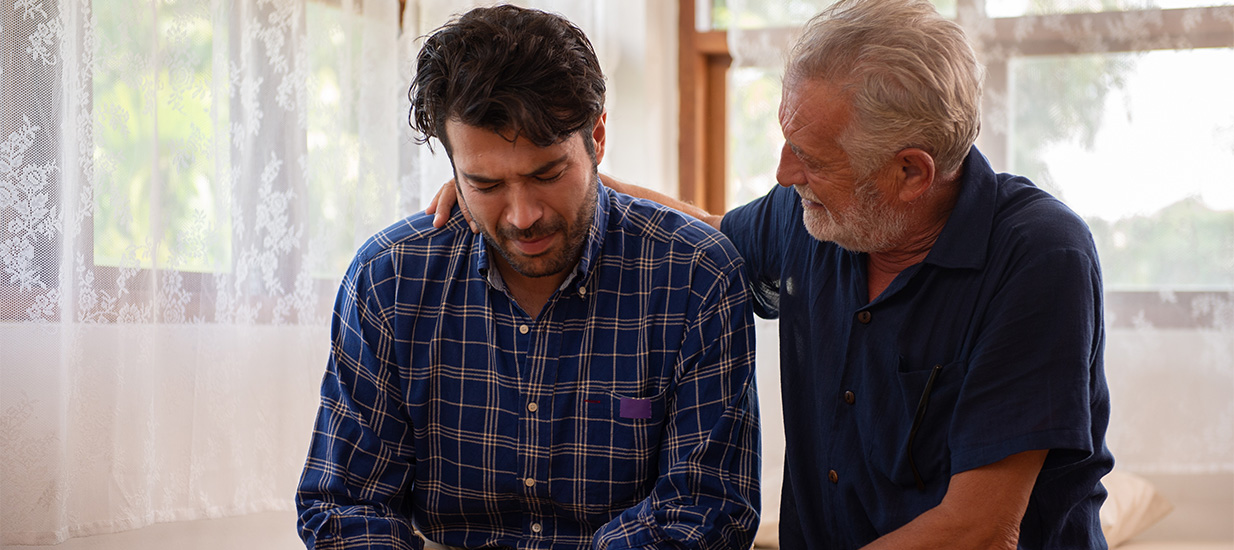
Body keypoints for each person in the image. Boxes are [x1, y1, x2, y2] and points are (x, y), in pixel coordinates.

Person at [426, 0, 1114, 548]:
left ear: (910, 173)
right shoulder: (817, 214)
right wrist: (536, 192)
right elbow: (708, 238)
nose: (785, 176)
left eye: (811, 158)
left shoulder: (1040, 258)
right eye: (787, 143)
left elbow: (979, 530)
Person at [295, 5, 761, 550]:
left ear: (598, 139)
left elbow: (706, 511)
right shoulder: (390, 280)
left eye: (547, 174)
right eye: (486, 185)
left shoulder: (694, 277)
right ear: (453, 170)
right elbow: (345, 503)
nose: (522, 216)